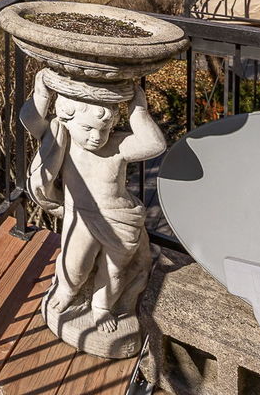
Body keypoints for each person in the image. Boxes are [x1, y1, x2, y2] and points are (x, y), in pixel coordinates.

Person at [20, 70, 166, 334]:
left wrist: (139, 109)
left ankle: (101, 307)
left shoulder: (117, 145)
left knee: (114, 272)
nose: (97, 137)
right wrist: (41, 91)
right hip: (82, 216)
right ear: (67, 120)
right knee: (74, 266)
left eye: (104, 129)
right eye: (87, 129)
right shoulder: (62, 140)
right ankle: (66, 291)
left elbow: (154, 144)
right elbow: (30, 119)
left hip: (119, 217)